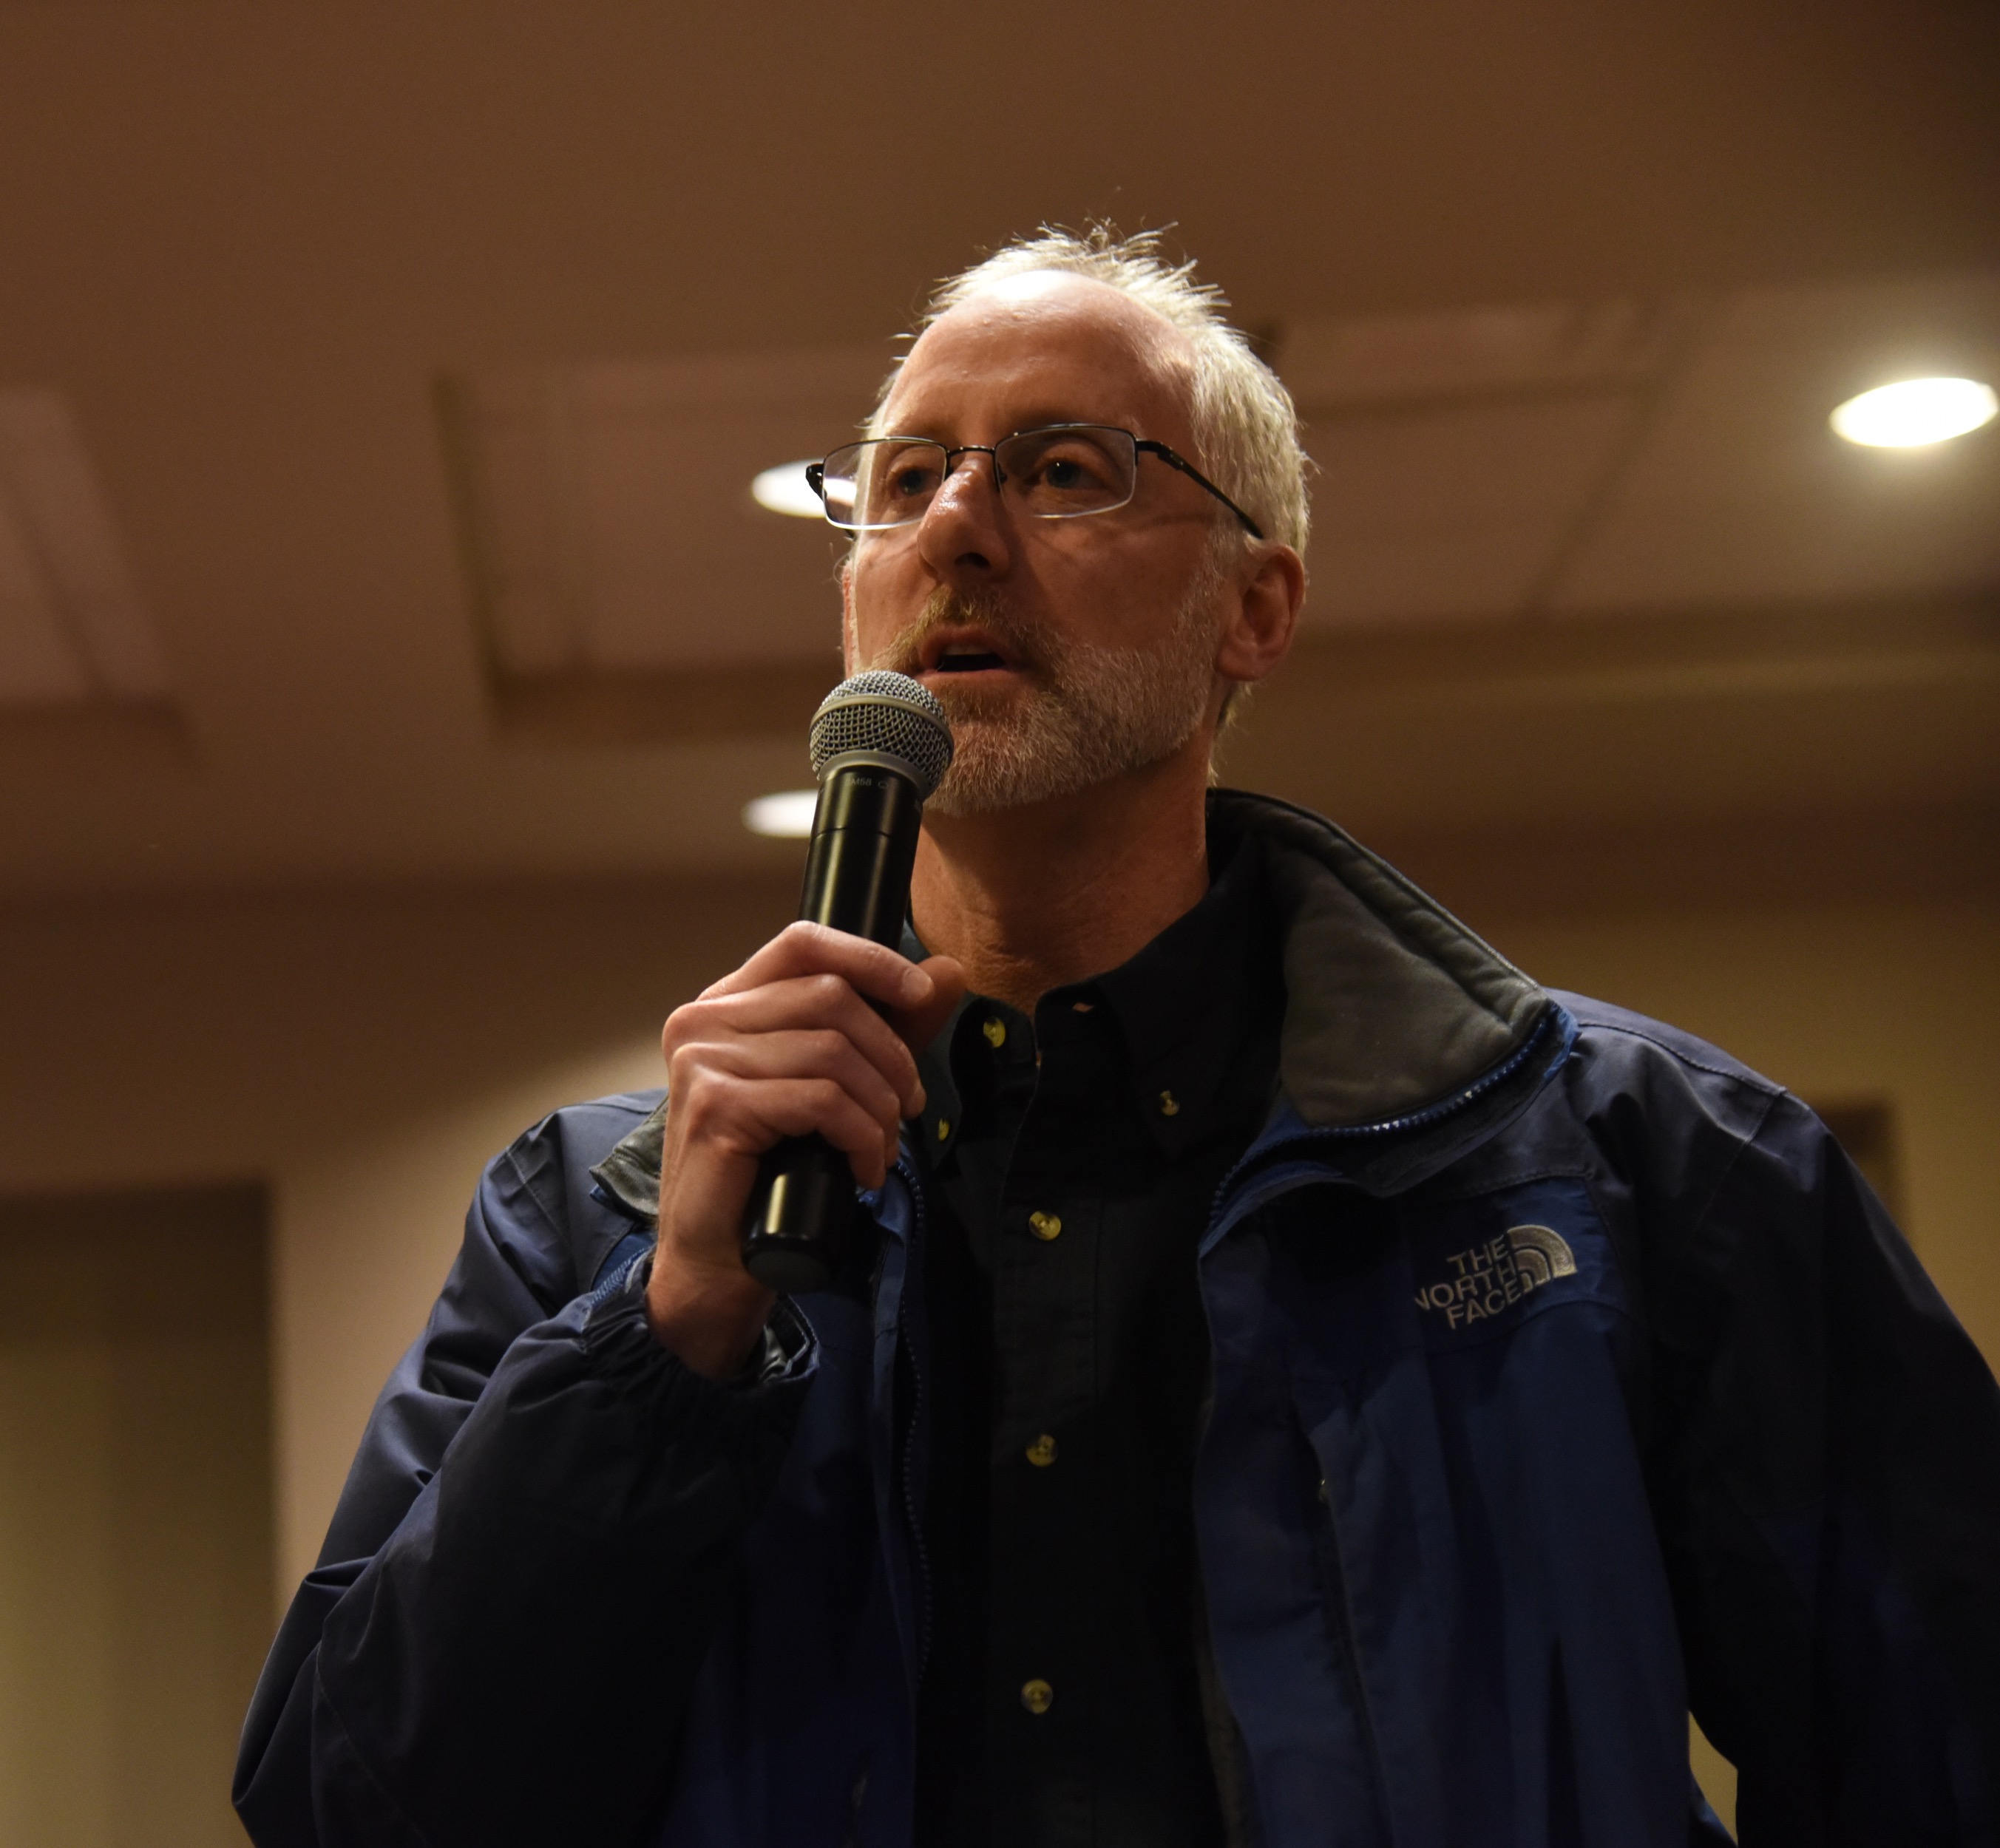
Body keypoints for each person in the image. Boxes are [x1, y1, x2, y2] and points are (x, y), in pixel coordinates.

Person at [231, 227, 2000, 1848]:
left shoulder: (1632, 1160)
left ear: (1256, 608)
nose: (954, 529)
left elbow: (1940, 1735)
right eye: (904, 479)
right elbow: (350, 1803)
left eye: (1063, 470)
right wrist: (667, 1334)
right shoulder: (595, 1221)